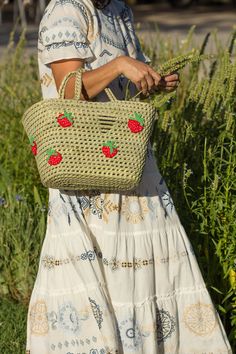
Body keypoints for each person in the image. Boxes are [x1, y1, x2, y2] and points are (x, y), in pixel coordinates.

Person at [25, 0, 233, 353]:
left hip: (129, 159)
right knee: (97, 268)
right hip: (85, 167)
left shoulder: (119, 10)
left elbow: (119, 86)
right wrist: (121, 64)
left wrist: (150, 79)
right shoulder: (66, 10)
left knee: (150, 262)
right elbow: (68, 92)